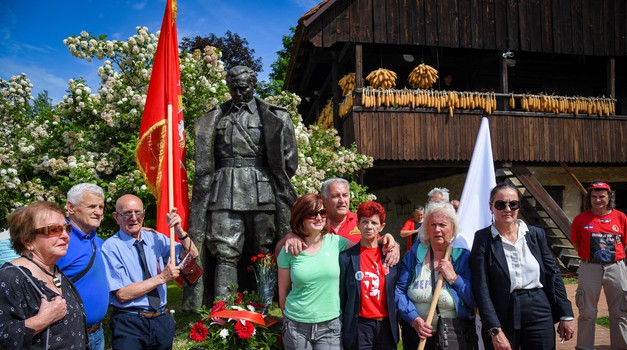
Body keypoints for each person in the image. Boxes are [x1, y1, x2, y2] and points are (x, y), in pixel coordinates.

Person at [189, 65, 298, 303]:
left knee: (264, 250)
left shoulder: (274, 116)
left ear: (253, 85)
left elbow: (289, 161)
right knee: (224, 251)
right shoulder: (215, 117)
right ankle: (222, 309)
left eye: (243, 87)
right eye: (233, 87)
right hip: (223, 190)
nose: (238, 92)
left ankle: (267, 305)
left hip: (261, 191)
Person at [278, 194, 399, 349]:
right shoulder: (290, 249)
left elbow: (367, 244)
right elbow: (283, 290)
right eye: (312, 214)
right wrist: (291, 235)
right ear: (300, 217)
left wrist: (392, 242)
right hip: (296, 325)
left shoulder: (337, 243)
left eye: (322, 213)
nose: (319, 217)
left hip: (329, 326)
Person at [470, 183, 575, 349]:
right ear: (491, 207)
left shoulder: (535, 234)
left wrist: (566, 314)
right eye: (500, 204)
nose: (507, 209)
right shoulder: (483, 238)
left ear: (519, 206)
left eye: (513, 204)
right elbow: (481, 288)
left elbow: (553, 274)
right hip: (502, 311)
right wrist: (494, 329)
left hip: (538, 307)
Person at [102, 194, 198, 350]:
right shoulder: (111, 248)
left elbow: (192, 254)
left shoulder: (155, 238)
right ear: (116, 217)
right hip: (130, 323)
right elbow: (123, 294)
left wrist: (180, 232)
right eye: (127, 213)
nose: (134, 218)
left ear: (143, 214)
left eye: (138, 213)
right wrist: (162, 278)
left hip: (160, 321)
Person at [0, 201, 87, 349]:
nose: (65, 235)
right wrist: (41, 320)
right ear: (28, 240)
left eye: (67, 228)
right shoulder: (9, 278)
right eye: (54, 230)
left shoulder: (55, 272)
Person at [395, 201, 476, 350]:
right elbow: (399, 291)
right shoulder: (414, 255)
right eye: (433, 225)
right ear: (426, 228)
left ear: (452, 228)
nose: (437, 229)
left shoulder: (463, 257)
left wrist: (454, 278)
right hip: (416, 335)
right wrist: (414, 319)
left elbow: (474, 300)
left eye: (443, 225)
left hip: (454, 336)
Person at [571, 181, 627, 350]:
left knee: (620, 311)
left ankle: (621, 346)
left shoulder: (621, 217)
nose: (598, 200)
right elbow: (576, 243)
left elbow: (624, 243)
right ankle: (584, 347)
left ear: (609, 197)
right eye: (594, 197)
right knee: (587, 311)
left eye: (602, 196)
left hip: (615, 266)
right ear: (590, 199)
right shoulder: (581, 219)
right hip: (590, 267)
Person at [340, 201, 399, 350]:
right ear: (358, 225)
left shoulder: (390, 256)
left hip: (386, 325)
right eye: (364, 222)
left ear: (381, 227)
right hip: (360, 326)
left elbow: (396, 291)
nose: (369, 226)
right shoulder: (346, 258)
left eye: (374, 222)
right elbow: (341, 296)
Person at [56, 183, 108, 350]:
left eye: (101, 206)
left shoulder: (97, 241)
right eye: (92, 206)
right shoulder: (58, 241)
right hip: (69, 335)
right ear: (71, 207)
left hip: (97, 333)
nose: (98, 212)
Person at [322, 177, 362, 242]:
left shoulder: (361, 221)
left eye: (345, 195)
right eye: (336, 196)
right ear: (324, 201)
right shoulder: (317, 223)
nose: (342, 200)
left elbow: (375, 245)